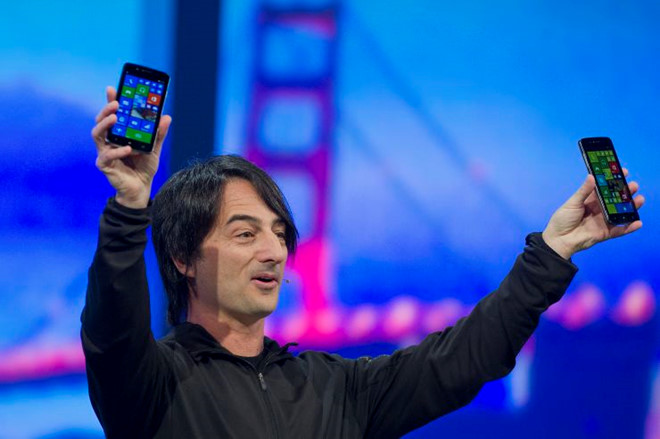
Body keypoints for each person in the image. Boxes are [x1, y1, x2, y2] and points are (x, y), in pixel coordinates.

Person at [83, 86, 644, 439]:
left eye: (279, 233)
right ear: (183, 258)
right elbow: (113, 327)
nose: (273, 251)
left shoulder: (337, 387)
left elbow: (467, 357)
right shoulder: (151, 385)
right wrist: (131, 206)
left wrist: (553, 250)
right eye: (245, 233)